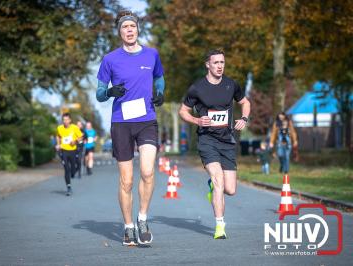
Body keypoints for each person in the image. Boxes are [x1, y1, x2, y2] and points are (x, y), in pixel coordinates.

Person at [95, 10, 165, 246]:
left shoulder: (152, 54)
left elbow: (160, 78)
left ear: (137, 29)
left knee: (147, 171)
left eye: (132, 27)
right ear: (120, 32)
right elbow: (99, 93)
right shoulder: (110, 59)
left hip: (146, 119)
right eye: (125, 27)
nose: (129, 30)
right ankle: (128, 227)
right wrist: (110, 92)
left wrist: (161, 93)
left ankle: (142, 218)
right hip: (121, 122)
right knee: (126, 180)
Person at [179, 49, 251, 239]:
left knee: (231, 190)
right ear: (208, 65)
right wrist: (197, 121)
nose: (220, 66)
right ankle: (220, 226)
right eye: (216, 63)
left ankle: (213, 187)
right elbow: (183, 111)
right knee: (219, 180)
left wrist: (244, 118)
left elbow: (246, 102)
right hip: (207, 140)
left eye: (222, 63)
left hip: (227, 141)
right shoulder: (197, 88)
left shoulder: (231, 84)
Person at [56, 113, 83, 196]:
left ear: (70, 120)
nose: (65, 121)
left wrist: (74, 141)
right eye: (64, 120)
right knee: (66, 169)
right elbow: (58, 136)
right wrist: (58, 144)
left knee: (75, 167)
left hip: (73, 150)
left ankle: (73, 173)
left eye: (67, 119)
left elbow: (81, 137)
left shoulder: (74, 127)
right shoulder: (59, 128)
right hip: (64, 151)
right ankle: (69, 187)